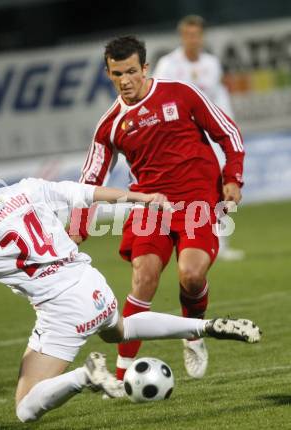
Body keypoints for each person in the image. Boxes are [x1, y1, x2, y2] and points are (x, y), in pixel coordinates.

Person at [0, 156, 260, 422]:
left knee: (25, 409)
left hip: (62, 308)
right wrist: (137, 196)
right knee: (119, 330)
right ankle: (205, 328)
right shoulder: (27, 188)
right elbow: (82, 193)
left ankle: (87, 375)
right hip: (91, 283)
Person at [70, 35, 245, 381]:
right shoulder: (110, 125)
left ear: (145, 68)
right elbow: (90, 178)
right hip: (151, 204)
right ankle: (120, 378)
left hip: (197, 200)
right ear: (108, 74)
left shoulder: (180, 93)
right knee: (143, 278)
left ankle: (192, 334)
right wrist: (79, 222)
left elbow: (229, 133)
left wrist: (233, 178)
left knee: (192, 277)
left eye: (131, 71)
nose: (125, 81)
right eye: (117, 74)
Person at [153, 14, 245, 262]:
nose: (193, 39)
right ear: (182, 37)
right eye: (188, 35)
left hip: (209, 136)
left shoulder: (212, 63)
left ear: (202, 37)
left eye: (197, 35)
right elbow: (157, 100)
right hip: (179, 139)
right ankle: (172, 239)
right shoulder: (168, 65)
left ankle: (220, 242)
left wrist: (229, 126)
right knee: (181, 189)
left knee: (217, 185)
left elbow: (218, 98)